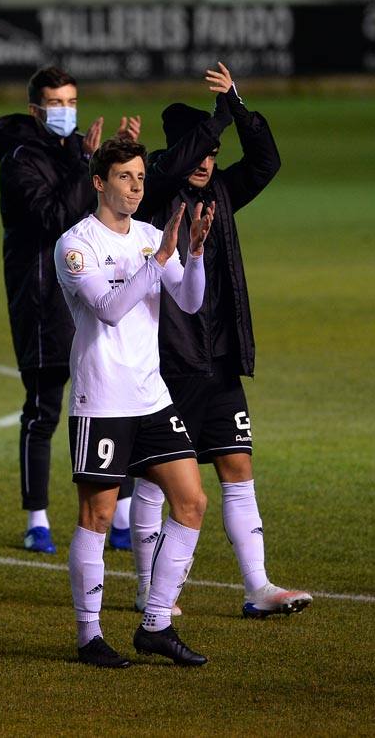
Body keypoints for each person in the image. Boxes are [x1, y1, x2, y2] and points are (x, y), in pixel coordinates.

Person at [130, 63, 310, 619]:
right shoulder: (155, 191)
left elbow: (268, 161)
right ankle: (148, 588)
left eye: (212, 153)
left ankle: (257, 587)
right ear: (180, 150)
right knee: (156, 478)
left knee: (237, 467)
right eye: (199, 151)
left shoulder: (223, 193)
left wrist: (235, 104)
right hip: (167, 363)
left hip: (220, 357)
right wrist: (211, 124)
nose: (208, 162)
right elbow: (175, 163)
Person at [55, 137, 212, 667]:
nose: (137, 186)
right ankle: (88, 636)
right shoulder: (76, 244)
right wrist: (158, 260)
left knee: (191, 501)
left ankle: (157, 622)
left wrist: (192, 254)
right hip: (100, 398)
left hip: (151, 396)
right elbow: (110, 309)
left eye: (141, 177)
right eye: (125, 177)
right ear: (100, 182)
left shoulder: (150, 236)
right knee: (97, 516)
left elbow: (189, 300)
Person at [0, 66, 141, 555]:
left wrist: (113, 162)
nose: (65, 112)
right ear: (35, 108)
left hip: (92, 296)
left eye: (71, 101)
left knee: (117, 402)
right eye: (56, 103)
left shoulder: (76, 151)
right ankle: (37, 520)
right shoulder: (18, 160)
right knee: (43, 411)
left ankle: (121, 516)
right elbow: (55, 218)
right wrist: (88, 165)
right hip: (41, 301)